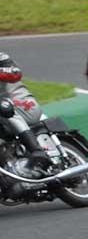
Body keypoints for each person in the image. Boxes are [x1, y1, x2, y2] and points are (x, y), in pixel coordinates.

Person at [0, 52, 52, 193]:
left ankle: (37, 151)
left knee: (2, 107)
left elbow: (15, 73)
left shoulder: (1, 57)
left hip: (19, 103)